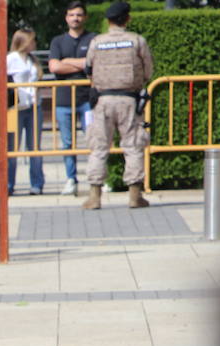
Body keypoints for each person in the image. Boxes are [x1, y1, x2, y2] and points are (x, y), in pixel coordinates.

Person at [82, 0, 153, 210]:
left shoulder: (97, 41)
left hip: (102, 100)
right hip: (129, 100)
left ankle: (94, 196)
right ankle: (135, 196)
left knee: (98, 147)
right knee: (132, 147)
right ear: (127, 19)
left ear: (108, 20)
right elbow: (148, 70)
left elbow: (88, 68)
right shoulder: (137, 41)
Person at [49, 0, 94, 197]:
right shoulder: (58, 41)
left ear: (85, 17)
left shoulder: (93, 39)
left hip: (88, 100)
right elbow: (54, 67)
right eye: (72, 15)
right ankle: (71, 179)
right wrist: (82, 65)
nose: (75, 18)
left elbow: (93, 63)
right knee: (67, 142)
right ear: (66, 18)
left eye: (79, 14)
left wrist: (68, 62)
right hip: (64, 100)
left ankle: (96, 179)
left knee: (93, 140)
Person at [6, 27, 45, 195]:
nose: (34, 43)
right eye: (32, 40)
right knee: (12, 148)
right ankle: (8, 184)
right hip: (16, 107)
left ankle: (37, 183)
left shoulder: (32, 59)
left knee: (34, 146)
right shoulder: (11, 59)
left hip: (34, 106)